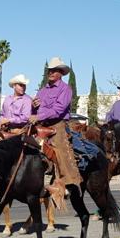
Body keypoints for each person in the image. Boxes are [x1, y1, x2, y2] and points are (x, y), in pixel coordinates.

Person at [32, 57, 83, 187]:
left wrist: (39, 116)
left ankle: (69, 180)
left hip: (58, 123)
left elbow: (58, 110)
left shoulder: (65, 89)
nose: (51, 73)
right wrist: (34, 107)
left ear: (61, 73)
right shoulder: (42, 90)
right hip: (41, 123)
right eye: (50, 70)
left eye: (54, 70)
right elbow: (37, 109)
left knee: (60, 147)